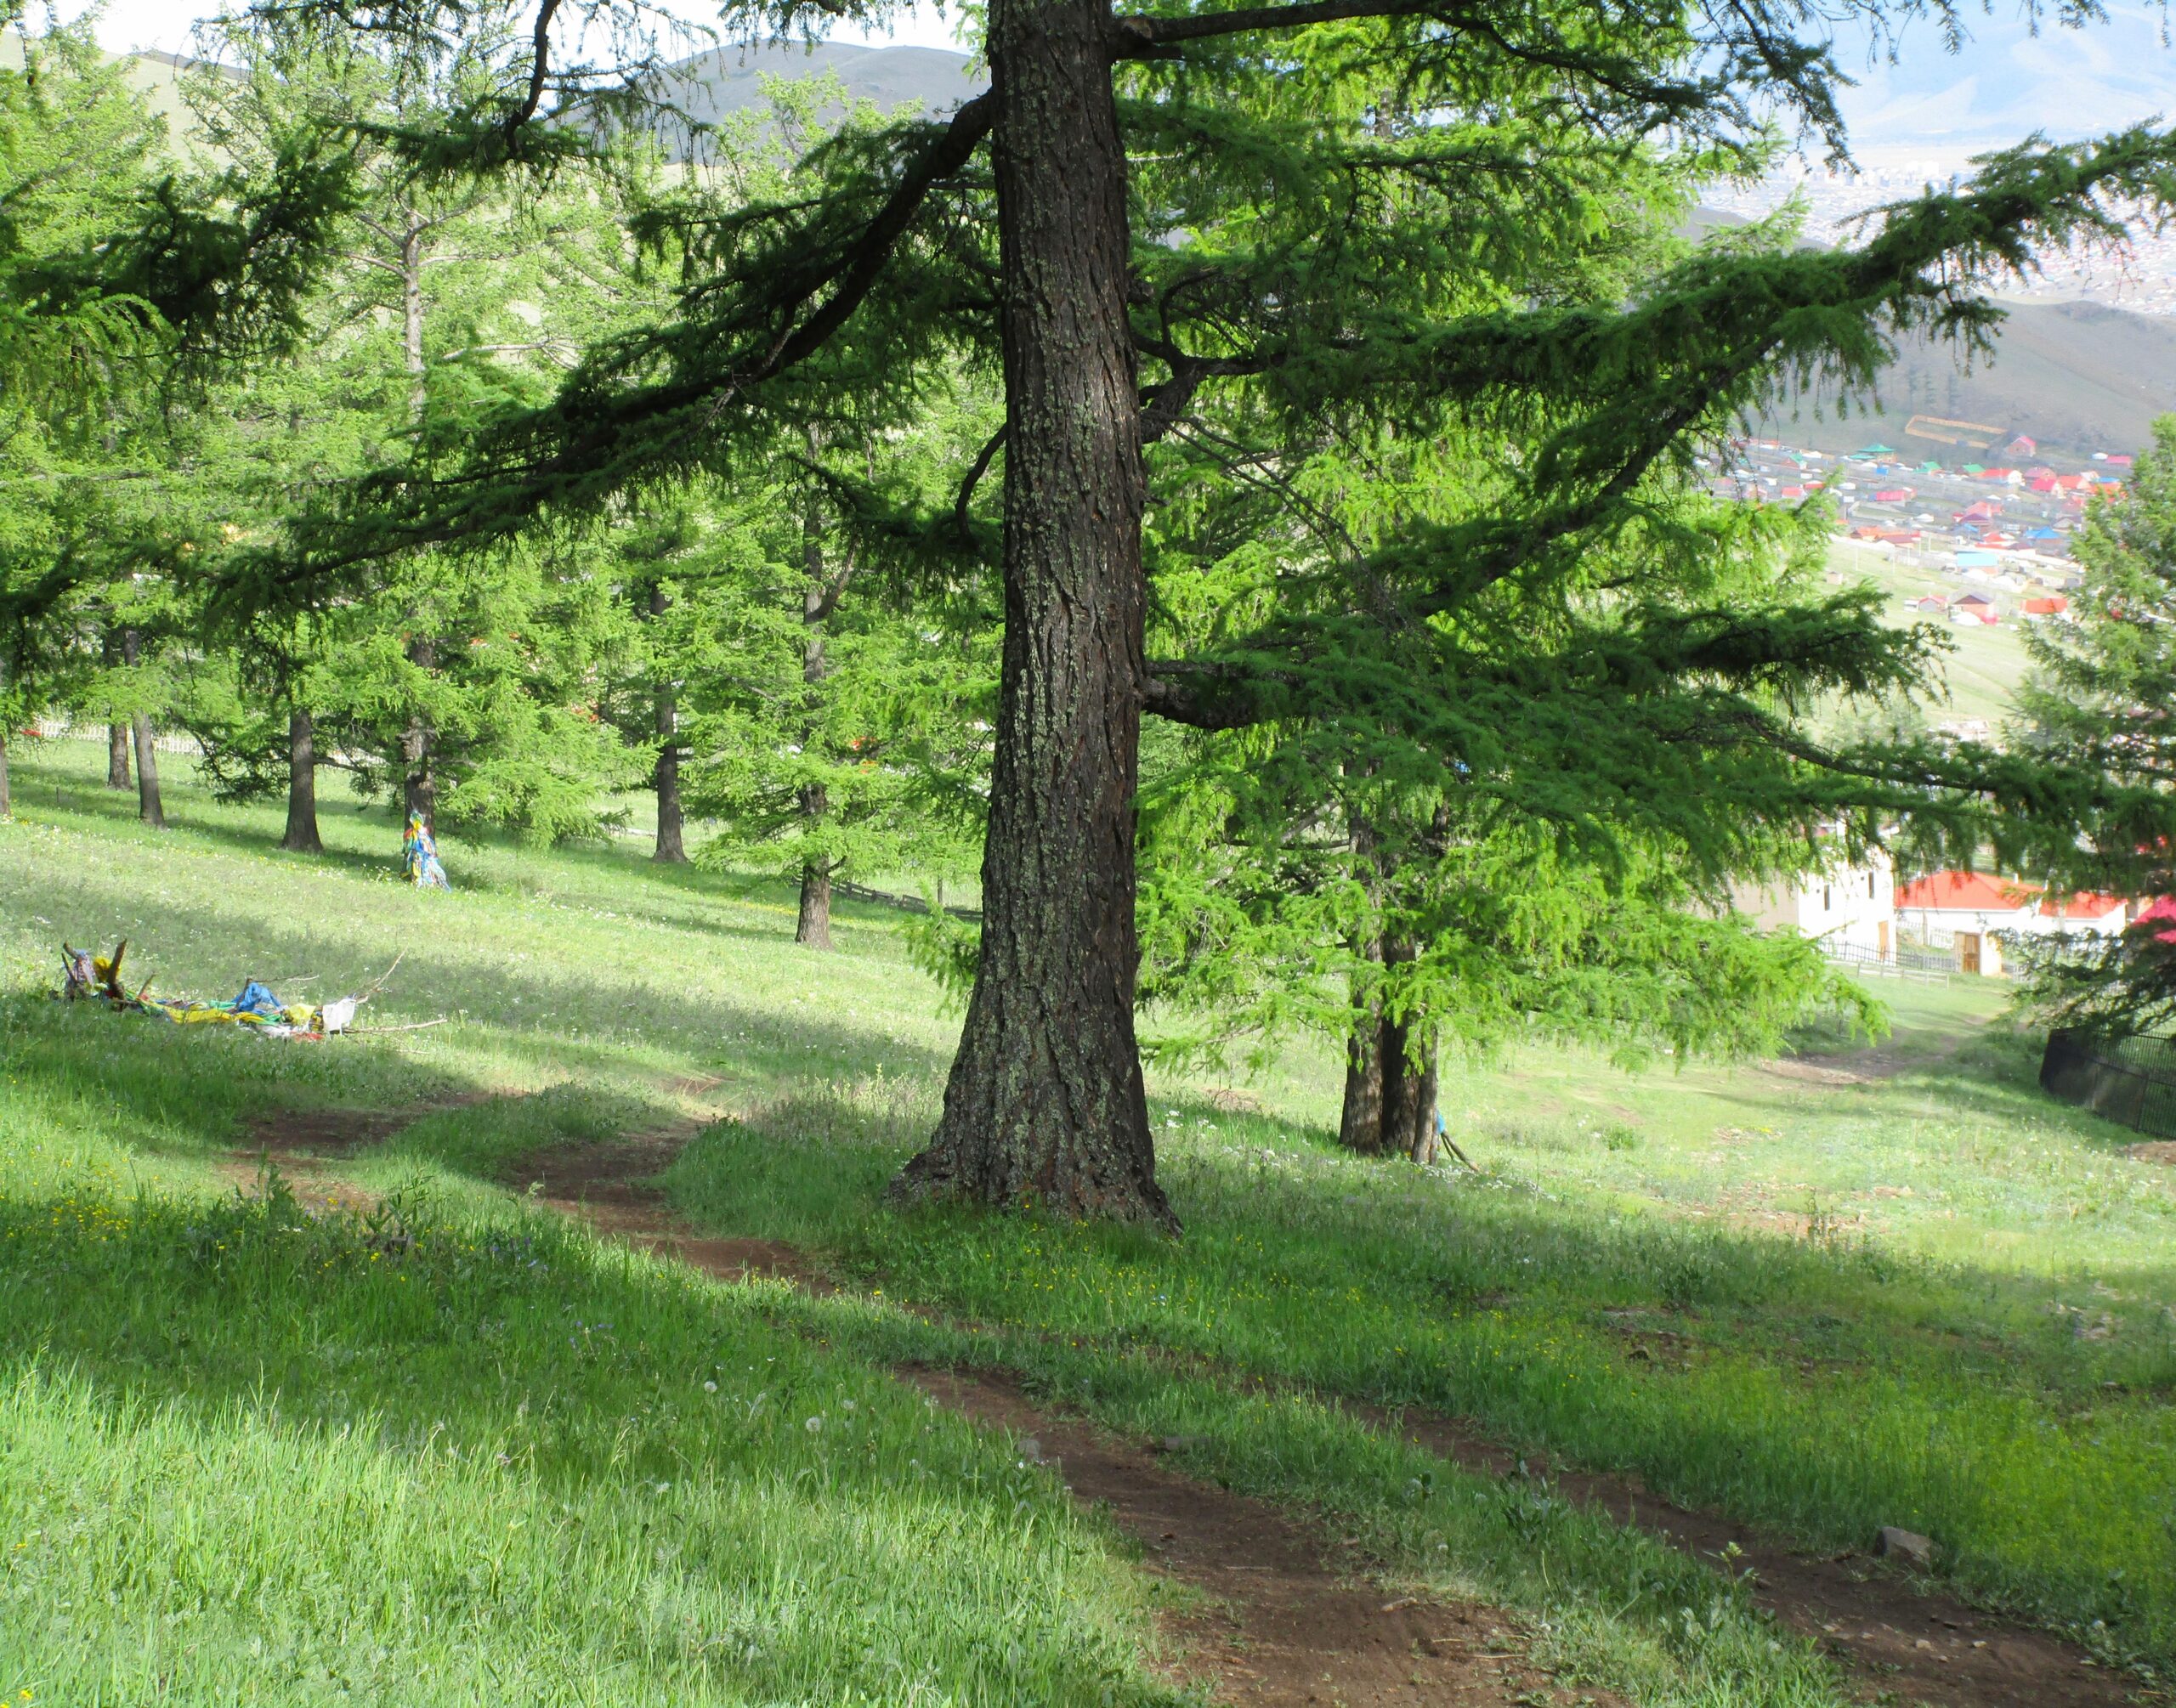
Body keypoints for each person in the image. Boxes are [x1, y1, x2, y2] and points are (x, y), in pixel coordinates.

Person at [402, 812, 450, 890]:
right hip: (418, 854)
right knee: (416, 868)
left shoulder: (424, 837)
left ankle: (426, 882)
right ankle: (418, 882)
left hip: (423, 856)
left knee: (425, 869)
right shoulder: (415, 834)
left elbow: (429, 848)